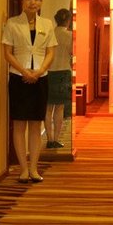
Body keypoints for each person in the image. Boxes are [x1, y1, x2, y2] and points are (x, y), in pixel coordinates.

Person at [2, 0, 56, 183]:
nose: (33, 2)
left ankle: (34, 168)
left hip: (40, 78)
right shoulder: (12, 23)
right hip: (19, 77)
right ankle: (23, 169)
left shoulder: (47, 24)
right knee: (19, 124)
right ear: (22, 1)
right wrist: (24, 71)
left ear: (41, 2)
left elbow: (50, 52)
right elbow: (8, 53)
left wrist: (39, 71)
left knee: (35, 124)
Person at [45, 8, 72, 149]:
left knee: (48, 108)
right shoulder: (70, 36)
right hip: (63, 73)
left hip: (48, 73)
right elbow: (72, 52)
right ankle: (55, 139)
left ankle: (49, 139)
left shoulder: (49, 34)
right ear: (68, 20)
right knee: (60, 108)